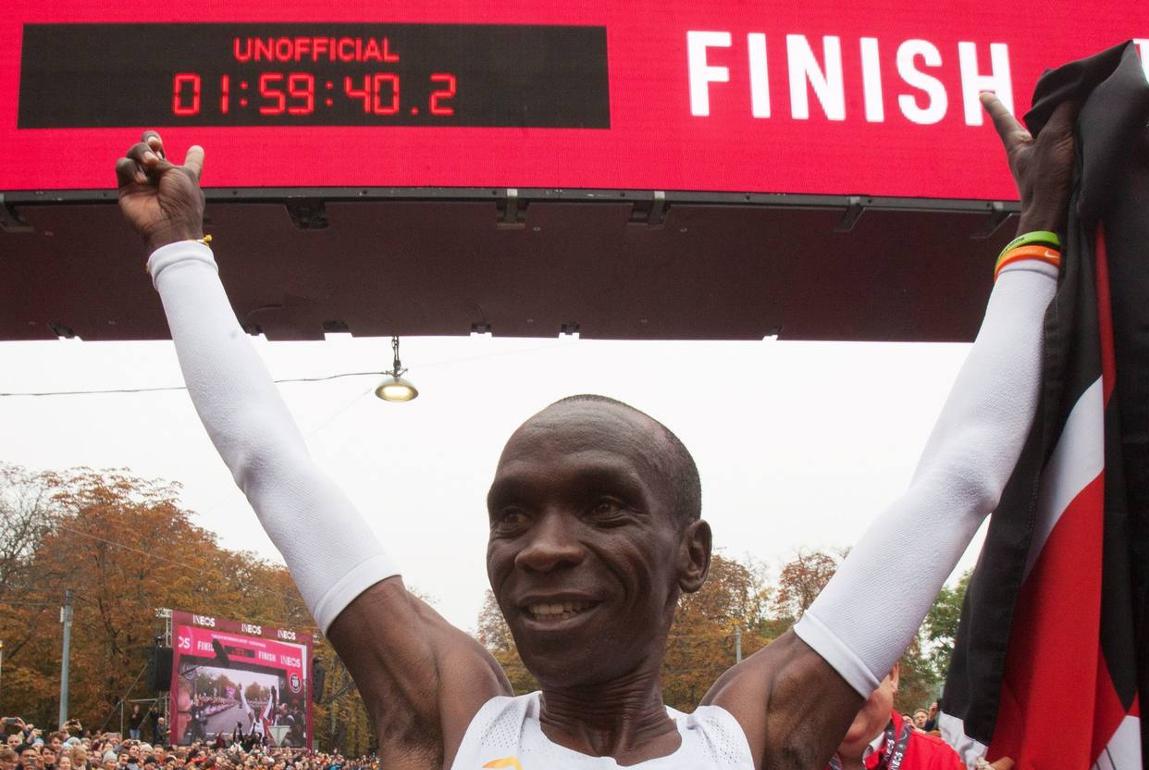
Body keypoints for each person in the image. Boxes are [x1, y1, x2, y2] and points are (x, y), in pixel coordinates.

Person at [113, 90, 1073, 769]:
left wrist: (1039, 236)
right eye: (513, 516)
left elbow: (959, 481)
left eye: (603, 506)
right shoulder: (450, 720)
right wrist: (180, 256)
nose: (543, 549)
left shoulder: (754, 739)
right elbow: (271, 464)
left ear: (691, 555)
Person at [827, 665, 960, 770]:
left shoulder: (943, 761)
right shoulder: (805, 758)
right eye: (818, 677)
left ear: (892, 676)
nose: (840, 692)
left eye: (854, 672)